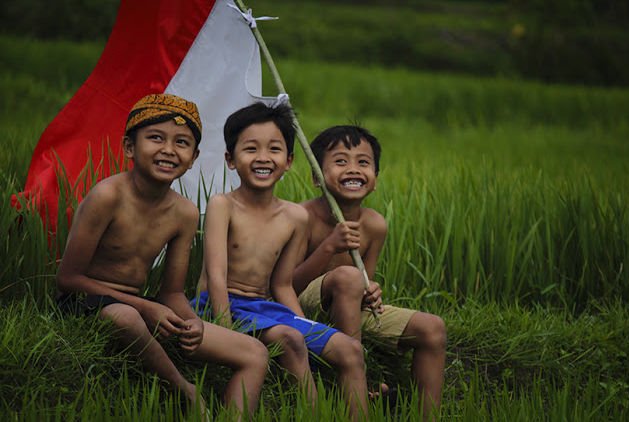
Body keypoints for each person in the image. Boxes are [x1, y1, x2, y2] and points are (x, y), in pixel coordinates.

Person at [56, 93, 269, 419]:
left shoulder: (184, 212)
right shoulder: (107, 196)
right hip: (86, 303)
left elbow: (171, 292)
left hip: (143, 306)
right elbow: (68, 279)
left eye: (182, 142)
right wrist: (145, 306)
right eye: (155, 138)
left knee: (254, 352)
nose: (169, 150)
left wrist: (192, 322)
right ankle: (185, 389)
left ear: (194, 156)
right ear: (130, 147)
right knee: (124, 316)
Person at [190, 102, 370, 419]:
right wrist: (227, 331)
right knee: (288, 338)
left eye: (274, 149)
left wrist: (304, 324)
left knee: (350, 350)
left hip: (264, 309)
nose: (263, 157)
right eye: (250, 149)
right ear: (231, 160)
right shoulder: (223, 205)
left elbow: (282, 284)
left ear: (288, 161)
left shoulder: (295, 217)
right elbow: (215, 276)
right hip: (220, 305)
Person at [293, 125, 447, 421]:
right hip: (301, 306)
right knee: (348, 277)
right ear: (316, 176)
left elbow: (363, 285)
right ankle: (357, 387)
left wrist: (370, 292)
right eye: (340, 161)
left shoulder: (374, 225)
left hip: (346, 305)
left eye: (363, 162)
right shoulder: (302, 217)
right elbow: (285, 284)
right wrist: (328, 247)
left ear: (375, 179)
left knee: (433, 328)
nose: (353, 169)